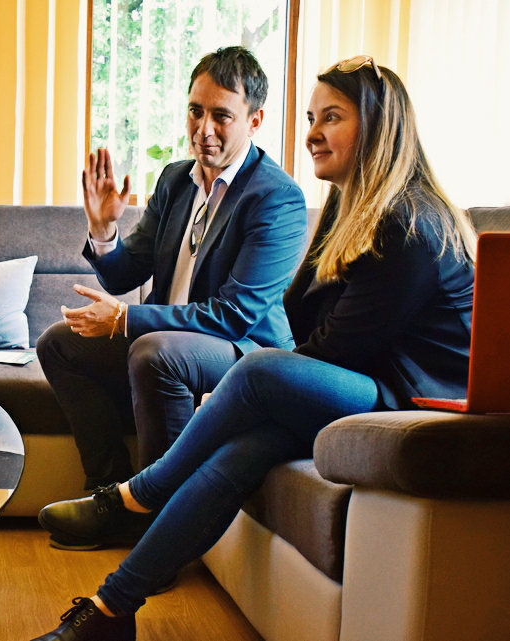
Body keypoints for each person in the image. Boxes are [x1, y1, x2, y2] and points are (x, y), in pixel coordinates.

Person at [31, 56, 477, 641]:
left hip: (414, 401)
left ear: (377, 125)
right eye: (312, 118)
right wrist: (103, 231)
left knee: (258, 372)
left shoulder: (407, 222)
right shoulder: (348, 208)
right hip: (367, 383)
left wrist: (272, 381)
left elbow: (330, 348)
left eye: (331, 118)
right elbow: (305, 317)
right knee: (236, 456)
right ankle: (112, 609)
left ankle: (141, 493)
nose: (312, 133)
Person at [37, 47, 307, 509]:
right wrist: (103, 230)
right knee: (58, 343)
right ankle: (109, 491)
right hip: (168, 342)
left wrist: (125, 319)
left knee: (155, 352)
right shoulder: (176, 180)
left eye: (221, 116)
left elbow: (234, 315)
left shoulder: (276, 198)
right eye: (195, 111)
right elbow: (125, 273)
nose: (204, 129)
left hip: (246, 352)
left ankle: (157, 511)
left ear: (255, 121)